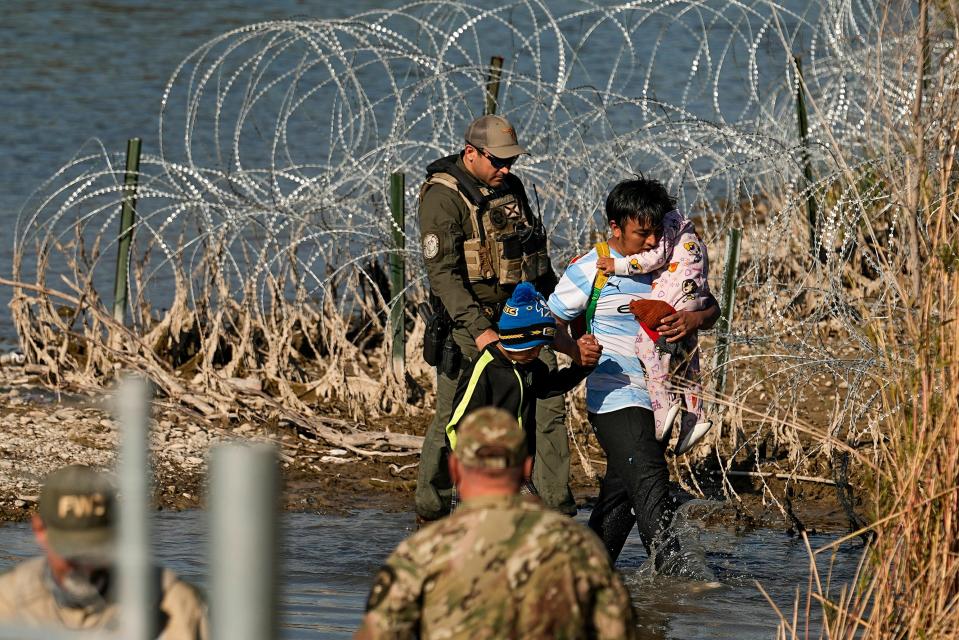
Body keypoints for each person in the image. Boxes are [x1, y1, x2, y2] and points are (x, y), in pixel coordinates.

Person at [415, 114, 601, 522]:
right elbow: (443, 277)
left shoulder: (509, 187)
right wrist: (481, 333)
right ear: (471, 153)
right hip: (469, 326)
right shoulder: (442, 198)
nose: (506, 169)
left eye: (511, 161)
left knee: (548, 403)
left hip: (524, 317)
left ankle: (555, 508)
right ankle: (431, 508)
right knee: (454, 415)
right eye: (498, 161)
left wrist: (561, 311)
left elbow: (533, 257)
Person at [547, 178, 720, 567]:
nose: (650, 241)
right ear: (615, 227)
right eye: (642, 232)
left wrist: (693, 320)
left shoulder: (669, 257)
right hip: (615, 394)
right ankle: (676, 580)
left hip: (662, 399)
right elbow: (545, 323)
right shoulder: (590, 267)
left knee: (620, 495)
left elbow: (711, 308)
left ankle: (584, 573)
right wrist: (574, 349)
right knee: (649, 481)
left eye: (657, 231)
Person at [356, 408, 636, 640]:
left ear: (454, 468)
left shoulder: (420, 552)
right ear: (527, 469)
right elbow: (618, 630)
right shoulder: (580, 547)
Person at [0, 465, 209, 638]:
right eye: (70, 549)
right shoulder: (7, 602)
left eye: (96, 547)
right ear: (39, 531)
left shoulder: (175, 603)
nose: (85, 565)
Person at [444, 282, 598, 495]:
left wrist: (581, 368)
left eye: (541, 348)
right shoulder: (484, 370)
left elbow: (548, 387)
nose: (537, 354)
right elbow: (456, 427)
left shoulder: (528, 364)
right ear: (518, 341)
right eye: (534, 348)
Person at [595, 207, 714, 453]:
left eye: (653, 232)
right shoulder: (686, 230)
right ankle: (696, 415)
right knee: (686, 359)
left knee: (647, 345)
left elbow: (654, 259)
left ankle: (664, 402)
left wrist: (617, 265)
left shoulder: (667, 225)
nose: (651, 239)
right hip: (693, 296)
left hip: (676, 296)